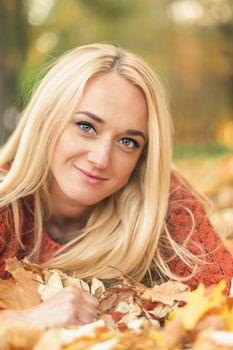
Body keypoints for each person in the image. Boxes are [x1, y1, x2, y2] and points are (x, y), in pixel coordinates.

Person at [0, 43, 232, 327]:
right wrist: (25, 320)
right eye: (86, 126)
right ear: (47, 120)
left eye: (127, 142)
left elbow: (224, 293)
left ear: (142, 156)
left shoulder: (161, 199)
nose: (100, 159)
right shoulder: (5, 206)